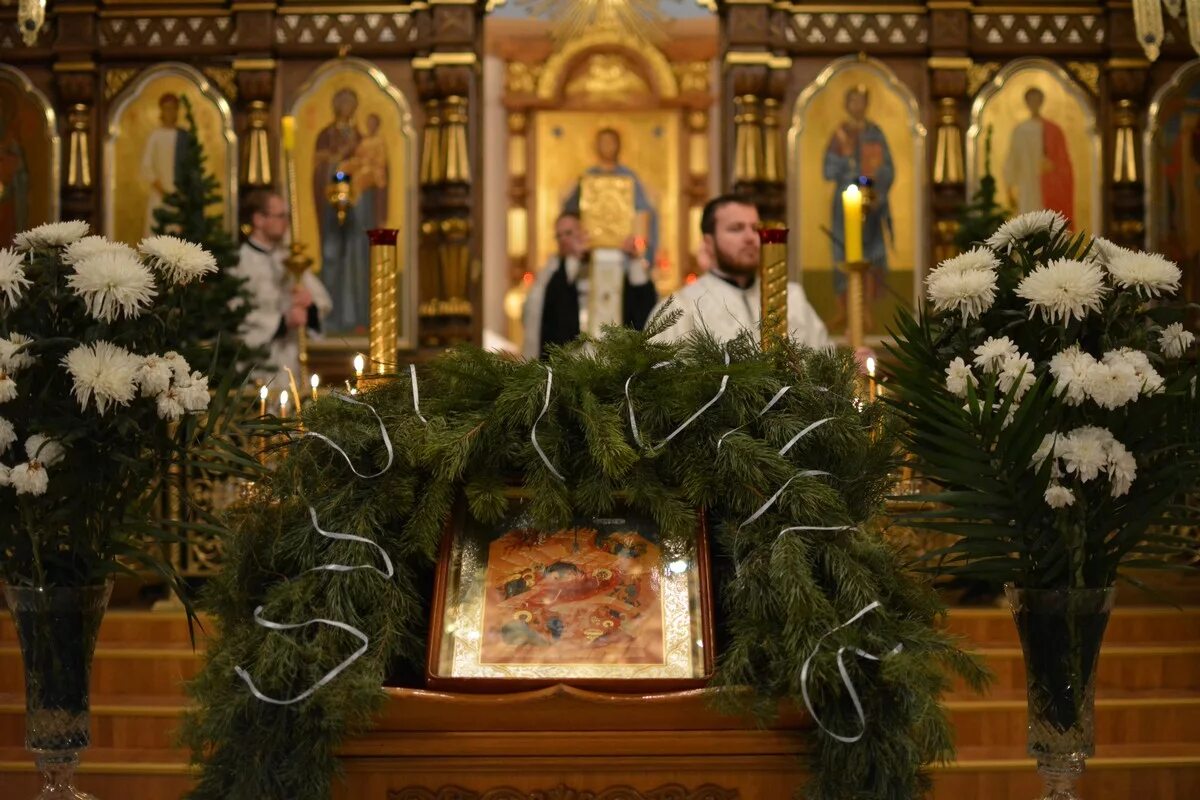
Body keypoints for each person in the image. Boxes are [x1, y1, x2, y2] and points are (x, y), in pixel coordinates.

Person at [650, 195, 830, 348]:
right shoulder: (680, 309)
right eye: (736, 229)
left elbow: (825, 365)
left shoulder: (792, 298)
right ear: (708, 242)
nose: (750, 238)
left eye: (755, 228)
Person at [231, 189, 332, 390]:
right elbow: (237, 315)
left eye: (287, 216)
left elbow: (323, 302)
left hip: (289, 361)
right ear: (258, 219)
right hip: (257, 365)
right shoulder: (239, 262)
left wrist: (308, 305)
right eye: (280, 216)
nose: (286, 222)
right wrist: (282, 322)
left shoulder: (289, 260)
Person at [522, 211, 658, 359]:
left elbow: (643, 304)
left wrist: (633, 258)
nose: (563, 240)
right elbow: (550, 312)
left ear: (584, 231)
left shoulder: (612, 263)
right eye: (558, 236)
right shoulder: (553, 271)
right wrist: (573, 260)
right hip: (571, 356)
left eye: (568, 233)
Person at [823, 85, 894, 332]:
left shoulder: (875, 133)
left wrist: (878, 186)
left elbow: (888, 168)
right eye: (852, 100)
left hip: (871, 206)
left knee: (869, 256)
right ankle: (845, 310)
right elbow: (828, 170)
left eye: (861, 101)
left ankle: (865, 311)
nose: (857, 105)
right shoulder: (840, 134)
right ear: (847, 104)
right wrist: (848, 165)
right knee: (844, 253)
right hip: (844, 206)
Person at [313, 88, 371, 333]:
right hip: (330, 206)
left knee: (355, 259)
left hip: (356, 208)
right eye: (342, 103)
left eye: (351, 103)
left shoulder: (360, 136)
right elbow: (319, 165)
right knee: (332, 255)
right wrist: (334, 160)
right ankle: (332, 318)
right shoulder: (326, 134)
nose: (346, 108)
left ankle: (355, 318)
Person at [562, 128, 659, 266]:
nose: (607, 147)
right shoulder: (588, 176)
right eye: (603, 142)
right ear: (596, 146)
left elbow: (642, 211)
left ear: (618, 145)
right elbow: (571, 211)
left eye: (611, 142)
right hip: (592, 250)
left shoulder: (628, 177)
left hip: (624, 252)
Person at [1004, 87, 1074, 224]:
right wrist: (1010, 187)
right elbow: (1012, 159)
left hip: (1048, 185)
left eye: (1037, 100)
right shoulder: (1020, 130)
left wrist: (1053, 167)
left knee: (1047, 224)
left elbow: (1063, 162)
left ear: (1041, 102)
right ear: (1026, 102)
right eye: (1031, 100)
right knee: (1028, 222)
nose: (1034, 103)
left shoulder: (1053, 130)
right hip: (1026, 184)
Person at [140, 93, 195, 236]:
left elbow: (190, 166)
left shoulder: (183, 137)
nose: (170, 112)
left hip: (179, 197)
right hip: (159, 196)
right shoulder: (156, 136)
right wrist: (163, 191)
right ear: (161, 111)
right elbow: (147, 166)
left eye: (173, 108)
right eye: (166, 108)